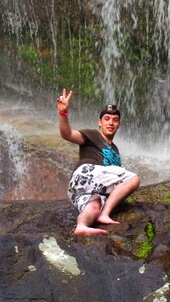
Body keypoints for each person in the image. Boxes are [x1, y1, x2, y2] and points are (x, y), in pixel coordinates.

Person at [57, 90, 140, 236]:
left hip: (81, 187)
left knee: (94, 207)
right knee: (134, 179)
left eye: (115, 120)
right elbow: (67, 134)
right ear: (99, 122)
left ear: (118, 124)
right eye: (107, 119)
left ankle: (82, 226)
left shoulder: (115, 150)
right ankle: (105, 214)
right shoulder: (92, 135)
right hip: (87, 172)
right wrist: (63, 114)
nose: (110, 123)